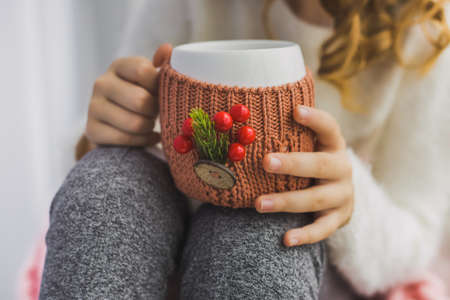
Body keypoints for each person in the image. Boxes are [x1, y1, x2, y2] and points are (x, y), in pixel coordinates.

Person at [39, 0, 450, 299]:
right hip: (170, 218)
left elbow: (416, 241)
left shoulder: (430, 32)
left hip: (317, 260)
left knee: (257, 227)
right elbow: (118, 134)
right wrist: (106, 127)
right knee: (106, 184)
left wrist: (346, 197)